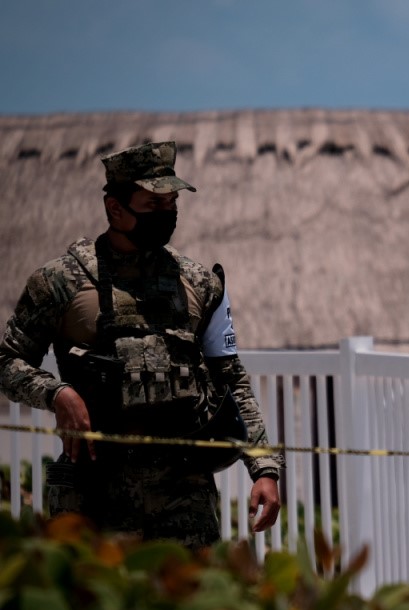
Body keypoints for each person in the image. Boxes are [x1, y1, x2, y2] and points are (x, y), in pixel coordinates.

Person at [0, 141, 284, 548]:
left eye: (171, 203)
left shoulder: (200, 282)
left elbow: (231, 379)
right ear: (115, 208)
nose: (166, 214)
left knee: (189, 607)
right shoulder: (60, 281)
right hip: (94, 493)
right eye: (153, 204)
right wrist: (57, 394)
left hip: (184, 496)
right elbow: (6, 361)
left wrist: (264, 467)